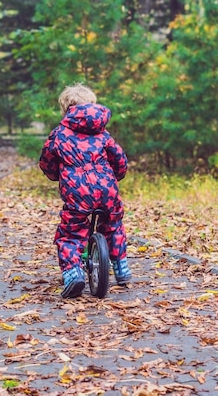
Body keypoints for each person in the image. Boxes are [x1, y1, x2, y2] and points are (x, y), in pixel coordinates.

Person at [39, 83, 132, 298]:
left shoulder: (59, 134)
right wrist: (116, 176)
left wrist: (55, 175)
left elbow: (47, 162)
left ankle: (73, 273)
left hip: (77, 192)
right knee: (113, 224)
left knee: (71, 233)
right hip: (107, 189)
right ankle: (121, 266)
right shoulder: (103, 133)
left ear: (66, 109)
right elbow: (119, 159)